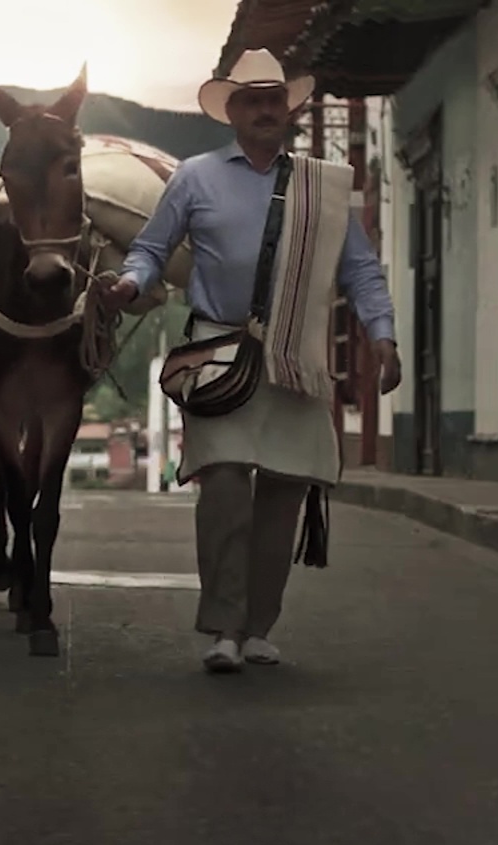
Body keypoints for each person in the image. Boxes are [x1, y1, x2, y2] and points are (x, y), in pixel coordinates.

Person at [97, 48, 400, 674]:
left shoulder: (325, 184)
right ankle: (224, 628)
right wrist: (129, 284)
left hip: (296, 355)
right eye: (252, 100)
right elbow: (152, 249)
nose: (265, 109)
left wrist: (383, 335)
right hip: (221, 355)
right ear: (230, 111)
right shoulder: (196, 177)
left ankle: (259, 626)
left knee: (283, 495)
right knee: (227, 489)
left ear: (287, 109)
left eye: (274, 100)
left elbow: (362, 271)